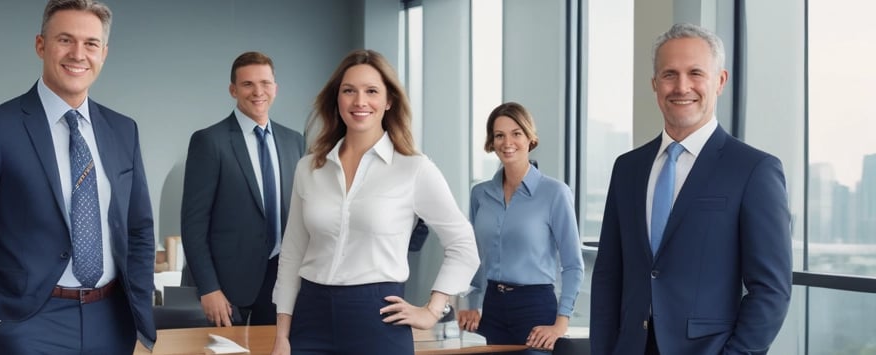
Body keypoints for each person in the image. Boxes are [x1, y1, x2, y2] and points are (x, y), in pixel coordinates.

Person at [0, 0, 156, 353]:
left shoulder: (124, 130)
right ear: (41, 45)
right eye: (65, 39)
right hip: (30, 323)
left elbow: (139, 229)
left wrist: (139, 312)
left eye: (91, 43)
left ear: (104, 53)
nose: (78, 54)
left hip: (111, 323)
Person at [590, 23, 792, 355]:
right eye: (670, 74)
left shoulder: (753, 170)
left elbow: (771, 289)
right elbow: (609, 274)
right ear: (655, 85)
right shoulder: (627, 168)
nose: (682, 86)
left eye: (695, 73)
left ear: (720, 81)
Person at [269, 49, 480, 355]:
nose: (359, 102)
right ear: (336, 99)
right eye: (349, 91)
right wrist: (282, 336)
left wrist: (432, 310)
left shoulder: (414, 168)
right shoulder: (309, 168)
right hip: (310, 319)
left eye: (371, 91)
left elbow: (463, 244)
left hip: (378, 321)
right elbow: (292, 254)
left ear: (389, 100)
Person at [181, 51, 306, 326]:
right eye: (248, 84)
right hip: (226, 288)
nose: (257, 91)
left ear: (276, 88)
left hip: (281, 283)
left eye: (265, 83)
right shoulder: (209, 142)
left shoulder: (294, 141)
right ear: (233, 90)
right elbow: (193, 224)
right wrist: (209, 288)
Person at [457, 102, 584, 354]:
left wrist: (560, 323)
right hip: (492, 307)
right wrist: (471, 302)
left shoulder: (554, 193)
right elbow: (475, 257)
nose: (507, 142)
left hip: (535, 307)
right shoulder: (480, 194)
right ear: (491, 142)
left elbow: (573, 265)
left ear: (530, 138)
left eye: (516, 133)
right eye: (499, 135)